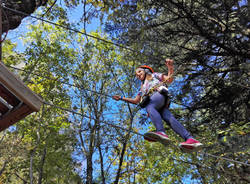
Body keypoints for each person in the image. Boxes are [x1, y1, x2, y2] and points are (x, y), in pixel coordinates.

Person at [112, 59, 202, 151]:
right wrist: (121, 98)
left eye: (139, 71)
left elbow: (169, 79)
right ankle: (190, 139)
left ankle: (161, 131)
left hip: (158, 95)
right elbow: (136, 100)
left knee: (150, 107)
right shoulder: (142, 88)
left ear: (146, 70)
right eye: (136, 74)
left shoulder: (154, 75)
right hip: (160, 104)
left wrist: (170, 68)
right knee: (169, 119)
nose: (137, 75)